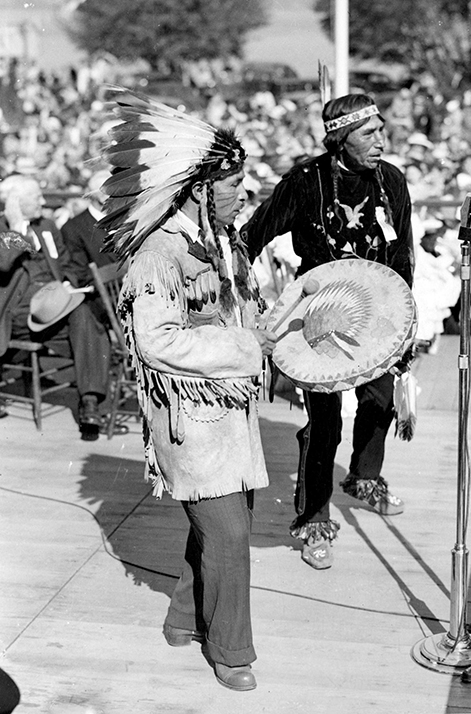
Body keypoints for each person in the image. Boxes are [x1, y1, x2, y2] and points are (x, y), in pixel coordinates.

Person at [97, 88, 276, 693]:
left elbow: (236, 315)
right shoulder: (160, 254)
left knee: (224, 522)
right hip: (189, 418)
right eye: (233, 184)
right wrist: (249, 346)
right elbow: (157, 342)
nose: (243, 193)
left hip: (228, 415)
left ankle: (182, 620)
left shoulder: (220, 243)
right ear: (201, 189)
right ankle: (231, 650)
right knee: (227, 530)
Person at [240, 92, 415, 570]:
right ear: (340, 139)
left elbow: (403, 256)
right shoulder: (304, 181)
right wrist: (237, 290)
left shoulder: (392, 181)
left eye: (382, 130)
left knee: (382, 400)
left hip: (379, 311)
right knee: (325, 424)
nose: (382, 139)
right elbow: (252, 236)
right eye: (369, 133)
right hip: (317, 318)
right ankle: (314, 518)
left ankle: (363, 476)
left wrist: (405, 320)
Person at [0, 174, 110, 437]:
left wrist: (68, 284)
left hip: (55, 307)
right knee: (83, 319)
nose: (42, 200)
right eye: (36, 197)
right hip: (18, 314)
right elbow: (3, 262)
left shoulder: (47, 226)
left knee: (84, 314)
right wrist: (16, 227)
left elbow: (66, 263)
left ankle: (90, 401)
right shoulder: (3, 229)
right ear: (15, 202)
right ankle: (91, 399)